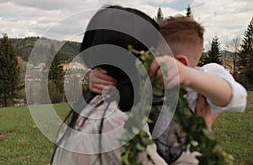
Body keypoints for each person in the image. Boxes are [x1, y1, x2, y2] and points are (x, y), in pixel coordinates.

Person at [88, 16, 247, 164]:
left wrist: (188, 76)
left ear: (179, 63)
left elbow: (238, 98)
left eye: (154, 59)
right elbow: (121, 79)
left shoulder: (205, 77)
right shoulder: (149, 80)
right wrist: (96, 76)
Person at [51, 5, 167, 165]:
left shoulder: (89, 111)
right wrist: (206, 117)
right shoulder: (117, 128)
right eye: (154, 56)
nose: (160, 64)